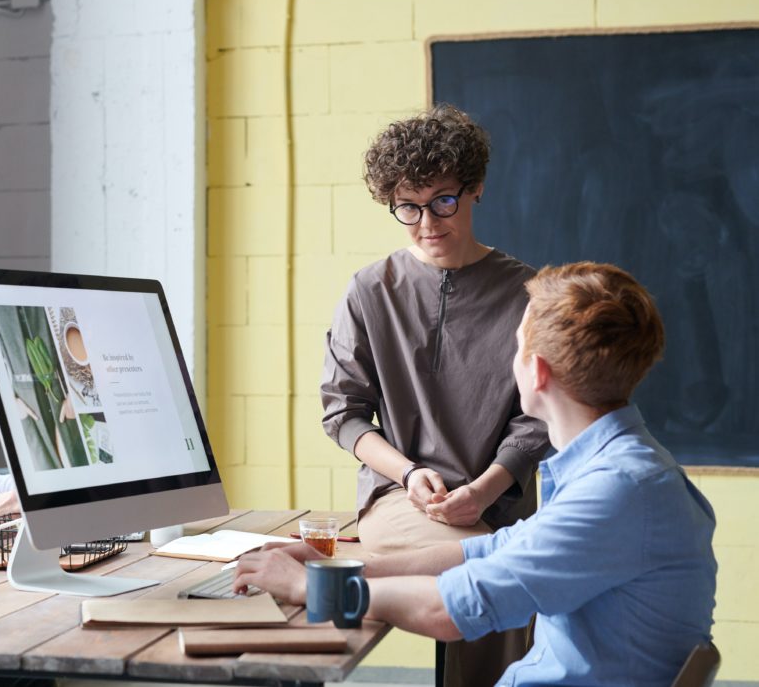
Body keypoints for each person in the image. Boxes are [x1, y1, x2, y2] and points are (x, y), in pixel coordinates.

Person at [235, 262, 718, 687]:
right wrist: (335, 563)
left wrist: (306, 589)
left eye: (515, 346)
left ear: (538, 373)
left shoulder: (616, 491)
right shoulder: (617, 469)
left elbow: (446, 611)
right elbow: (484, 550)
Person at [320, 104, 550, 685]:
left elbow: (538, 419)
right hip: (402, 496)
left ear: (474, 190)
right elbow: (344, 413)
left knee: (506, 589)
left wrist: (486, 487)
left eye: (443, 201)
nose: (427, 222)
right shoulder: (370, 290)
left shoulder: (526, 294)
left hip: (500, 498)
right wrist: (407, 474)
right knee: (493, 580)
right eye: (408, 208)